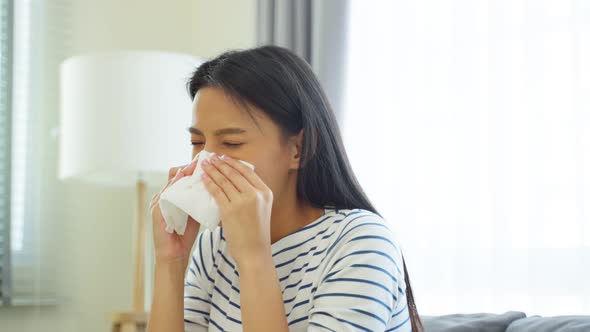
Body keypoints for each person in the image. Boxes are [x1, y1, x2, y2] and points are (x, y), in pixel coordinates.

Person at [147, 45, 423, 332]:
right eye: (197, 143)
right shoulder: (213, 246)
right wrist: (171, 261)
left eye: (231, 144)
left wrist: (254, 258)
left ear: (298, 149)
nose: (205, 162)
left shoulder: (361, 242)